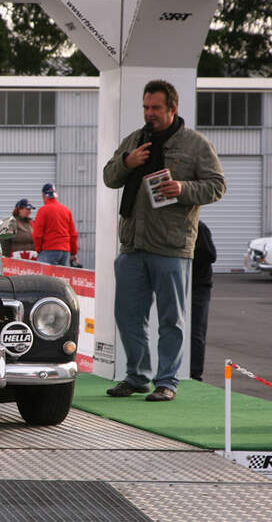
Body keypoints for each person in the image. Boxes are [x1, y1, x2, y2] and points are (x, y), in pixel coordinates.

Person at [103, 79, 225, 402]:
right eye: (145, 107)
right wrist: (126, 163)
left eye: (156, 108)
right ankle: (138, 375)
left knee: (171, 319)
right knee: (127, 315)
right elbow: (108, 176)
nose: (149, 113)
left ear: (173, 108)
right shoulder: (134, 140)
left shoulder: (195, 144)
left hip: (171, 246)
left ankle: (167, 381)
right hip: (132, 245)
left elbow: (217, 186)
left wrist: (183, 189)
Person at [190, 221, 216, 382]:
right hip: (186, 285)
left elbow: (210, 255)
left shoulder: (199, 227)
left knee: (195, 332)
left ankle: (194, 373)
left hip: (199, 286)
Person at [32, 183, 78, 266]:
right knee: (61, 277)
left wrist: (38, 250)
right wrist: (73, 253)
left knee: (43, 277)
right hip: (65, 251)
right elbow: (73, 234)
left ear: (43, 195)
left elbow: (37, 235)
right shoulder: (66, 211)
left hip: (49, 249)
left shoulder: (43, 211)